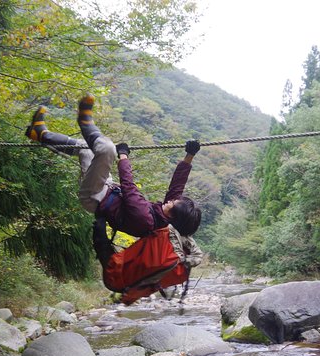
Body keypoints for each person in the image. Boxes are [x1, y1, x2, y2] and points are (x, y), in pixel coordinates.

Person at [25, 94, 203, 278]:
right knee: (85, 148)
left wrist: (123, 156)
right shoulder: (163, 215)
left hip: (95, 196)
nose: (172, 201)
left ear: (173, 216)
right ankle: (40, 134)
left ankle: (85, 121)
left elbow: (129, 188)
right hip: (107, 188)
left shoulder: (147, 221)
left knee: (107, 149)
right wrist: (190, 155)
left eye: (174, 205)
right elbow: (177, 187)